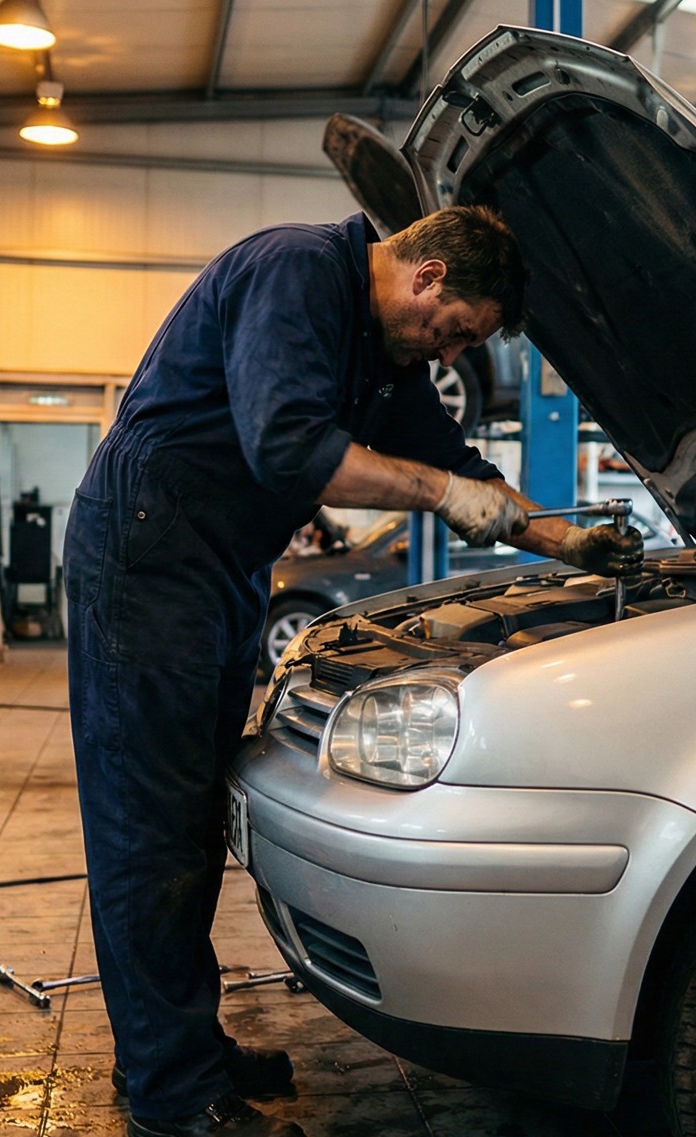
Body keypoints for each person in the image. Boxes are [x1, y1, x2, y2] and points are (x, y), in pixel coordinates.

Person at [64, 205, 643, 1137]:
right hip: (148, 554)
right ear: (427, 279)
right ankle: (170, 1095)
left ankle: (181, 1047)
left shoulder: (388, 357)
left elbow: (462, 471)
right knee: (148, 829)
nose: (451, 357)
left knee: (192, 817)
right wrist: (440, 494)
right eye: (458, 331)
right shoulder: (295, 275)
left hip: (218, 564)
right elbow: (286, 445)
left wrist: (571, 539)